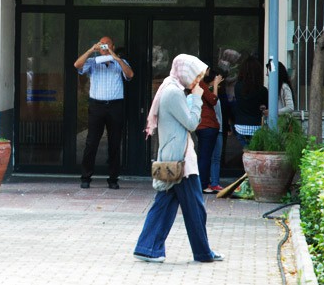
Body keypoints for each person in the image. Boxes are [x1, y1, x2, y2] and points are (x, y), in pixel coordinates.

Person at [135, 54, 224, 263]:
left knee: (164, 204)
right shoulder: (174, 93)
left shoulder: (170, 88)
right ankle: (202, 253)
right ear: (185, 73)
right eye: (196, 76)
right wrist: (196, 97)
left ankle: (147, 247)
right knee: (195, 208)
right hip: (180, 161)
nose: (197, 81)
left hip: (176, 158)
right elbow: (192, 123)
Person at [74, 36, 134, 189]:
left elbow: (130, 75)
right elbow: (77, 65)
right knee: (91, 142)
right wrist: (90, 50)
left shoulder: (121, 63)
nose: (104, 48)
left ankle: (113, 179)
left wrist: (116, 58)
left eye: (107, 45)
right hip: (97, 106)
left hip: (115, 106)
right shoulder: (93, 62)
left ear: (113, 46)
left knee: (114, 143)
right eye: (102, 45)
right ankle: (86, 177)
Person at [196, 67, 224, 194]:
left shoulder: (199, 85)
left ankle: (202, 183)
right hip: (207, 126)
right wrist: (216, 86)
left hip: (202, 126)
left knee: (204, 156)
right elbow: (213, 100)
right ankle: (203, 184)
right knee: (205, 157)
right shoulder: (201, 85)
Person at [233, 56, 268, 147]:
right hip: (257, 127)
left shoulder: (237, 87)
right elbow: (265, 106)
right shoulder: (262, 90)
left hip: (240, 126)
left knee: (246, 154)